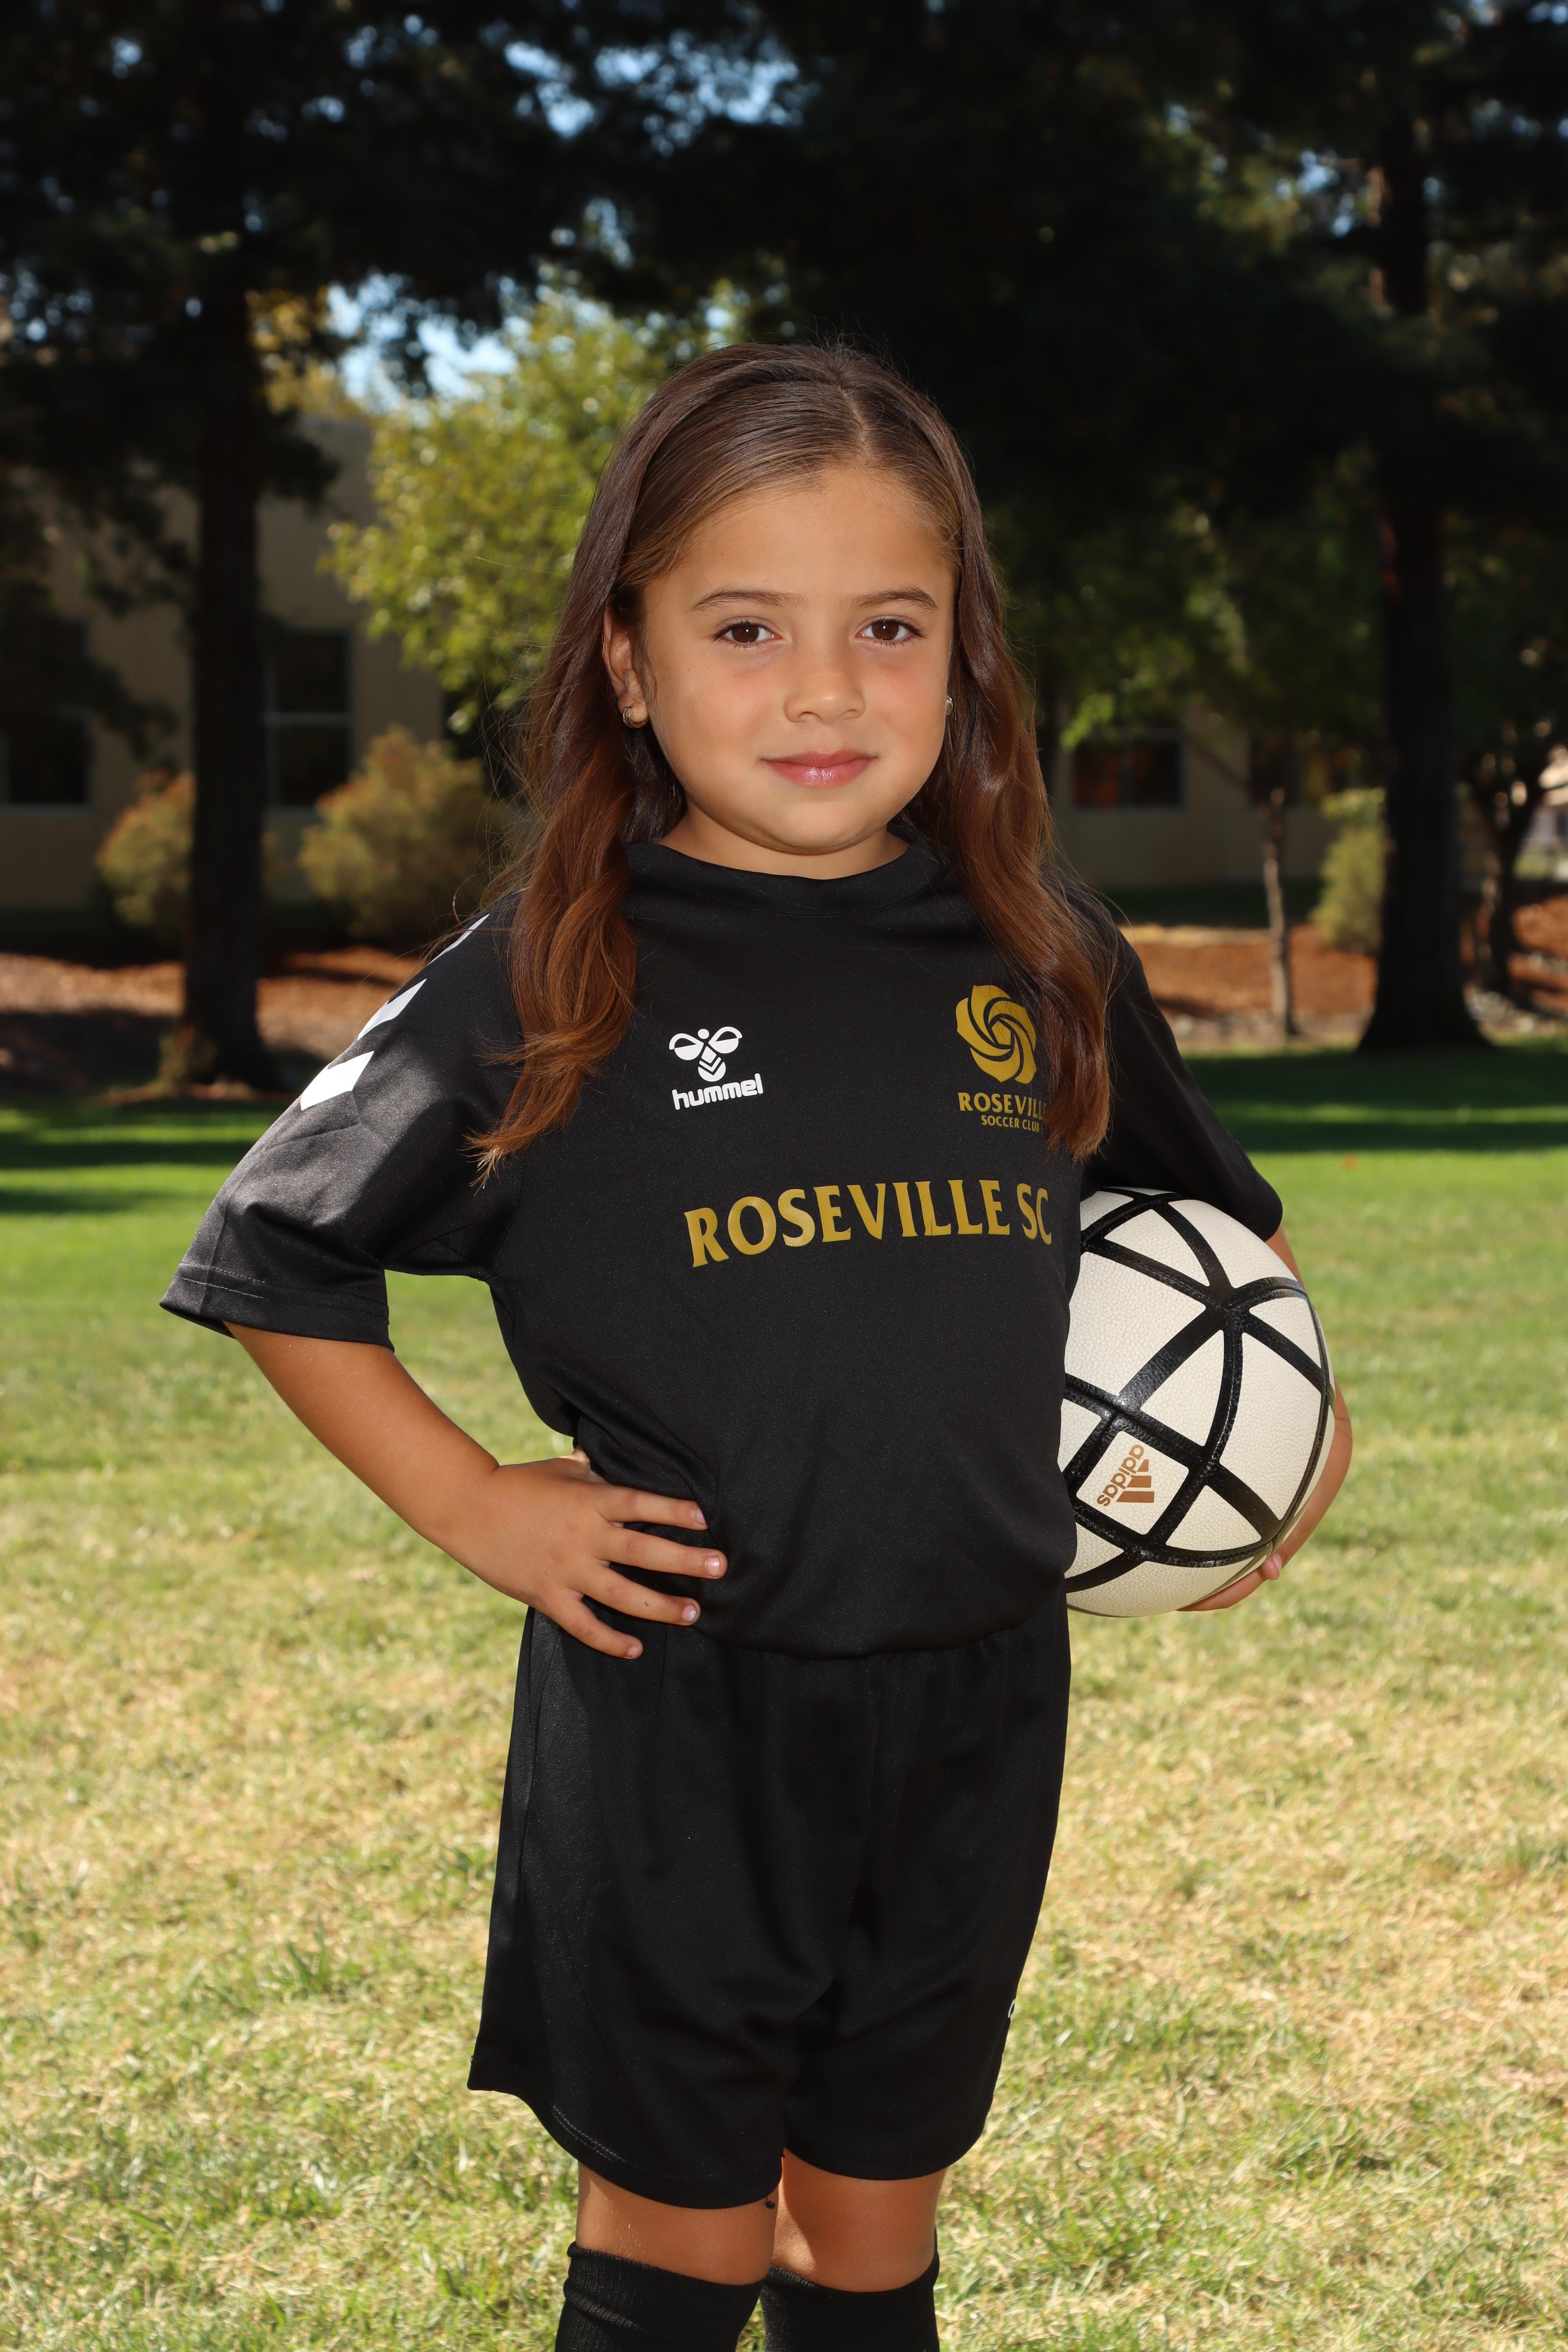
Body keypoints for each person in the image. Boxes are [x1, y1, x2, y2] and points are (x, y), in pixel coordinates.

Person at [163, 343, 1352, 2352]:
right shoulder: (550, 970)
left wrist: (1286, 1442)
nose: (824, 690)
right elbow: (276, 1252)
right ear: (628, 663)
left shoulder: (1042, 953)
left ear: (962, 657)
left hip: (979, 1703)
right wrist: (482, 1507)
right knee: (685, 2242)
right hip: (678, 1713)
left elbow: (1220, 1236)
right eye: (744, 629)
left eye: (888, 626)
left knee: (871, 2230)